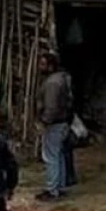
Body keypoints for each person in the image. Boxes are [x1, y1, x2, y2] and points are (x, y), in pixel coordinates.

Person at [37, 50, 73, 201]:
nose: (40, 67)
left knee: (51, 156)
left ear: (51, 66)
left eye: (43, 64)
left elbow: (51, 107)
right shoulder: (63, 79)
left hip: (55, 124)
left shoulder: (52, 83)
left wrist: (44, 121)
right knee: (58, 155)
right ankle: (60, 186)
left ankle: (52, 190)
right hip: (63, 121)